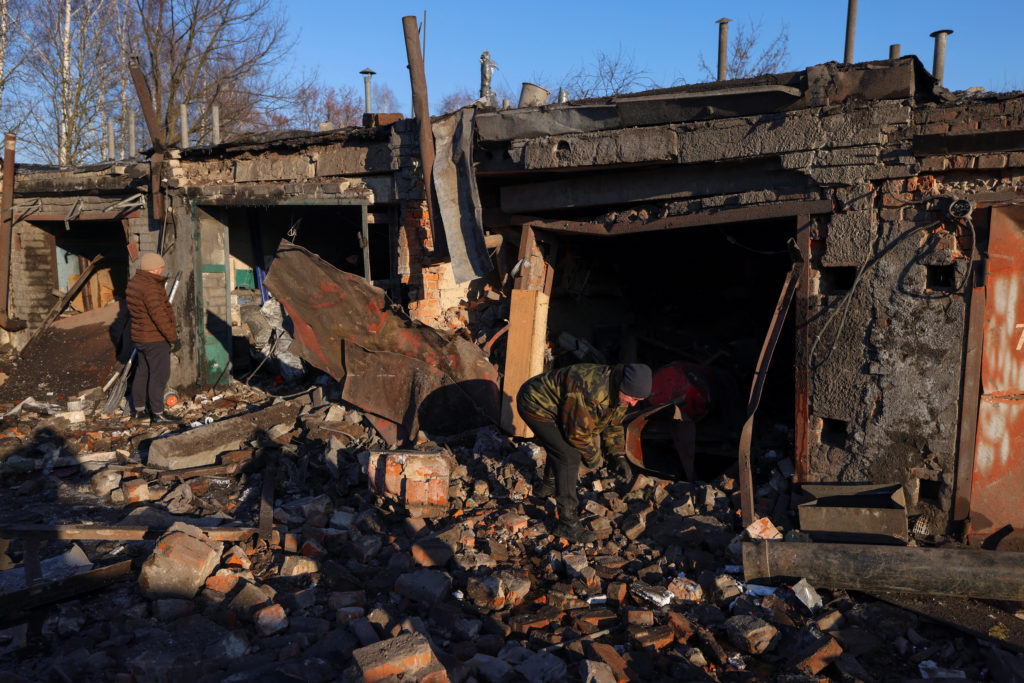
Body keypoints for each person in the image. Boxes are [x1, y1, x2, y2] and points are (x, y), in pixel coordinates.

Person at [517, 362, 652, 544]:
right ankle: (567, 523)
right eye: (632, 398)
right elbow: (577, 435)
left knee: (560, 446)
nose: (633, 403)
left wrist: (617, 456)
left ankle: (547, 486)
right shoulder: (591, 393)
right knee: (568, 456)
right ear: (622, 385)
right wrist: (595, 460)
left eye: (638, 400)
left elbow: (613, 424)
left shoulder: (621, 390)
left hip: (560, 406)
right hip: (534, 402)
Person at [125, 252, 179, 424]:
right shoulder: (150, 287)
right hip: (155, 338)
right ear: (154, 269)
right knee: (159, 375)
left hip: (140, 337)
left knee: (143, 372)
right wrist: (172, 338)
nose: (162, 270)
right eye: (160, 267)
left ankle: (139, 410)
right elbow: (159, 316)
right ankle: (158, 413)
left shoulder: (135, 282)